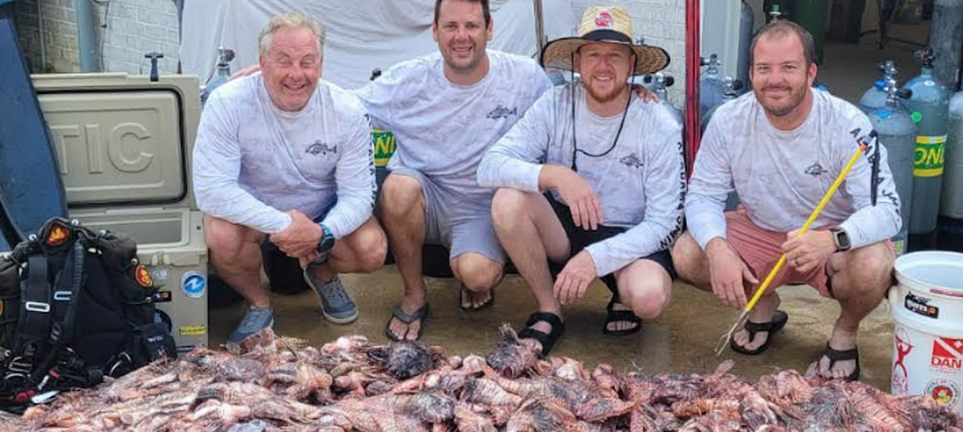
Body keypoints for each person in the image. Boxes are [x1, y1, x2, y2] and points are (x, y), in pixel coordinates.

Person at [672, 20, 899, 381]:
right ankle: (762, 304)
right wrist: (717, 249)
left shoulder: (848, 124)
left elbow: (888, 211)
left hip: (828, 237)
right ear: (751, 73)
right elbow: (702, 195)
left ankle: (845, 331)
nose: (775, 79)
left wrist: (833, 238)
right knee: (689, 253)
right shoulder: (729, 120)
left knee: (874, 262)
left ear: (810, 72)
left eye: (788, 67)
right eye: (764, 69)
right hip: (760, 229)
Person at [477, 5, 684, 355]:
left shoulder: (660, 124)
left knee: (648, 298)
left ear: (632, 64)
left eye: (615, 56)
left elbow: (667, 223)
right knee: (507, 200)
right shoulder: (555, 103)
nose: (603, 66)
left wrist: (595, 258)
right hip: (566, 228)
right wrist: (554, 175)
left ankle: (621, 291)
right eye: (593, 54)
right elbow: (490, 166)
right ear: (577, 60)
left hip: (631, 235)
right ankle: (548, 307)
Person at [359, 0, 554, 342]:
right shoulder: (408, 78)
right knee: (397, 188)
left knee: (478, 275)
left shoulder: (524, 77)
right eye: (450, 26)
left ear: (490, 30)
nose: (461, 36)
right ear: (434, 31)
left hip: (482, 206)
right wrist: (275, 82)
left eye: (472, 26)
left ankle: (472, 276)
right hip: (426, 195)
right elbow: (346, 105)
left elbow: (564, 114)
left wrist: (628, 93)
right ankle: (414, 294)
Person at [193, 12, 386, 345]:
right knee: (221, 235)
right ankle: (259, 305)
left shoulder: (347, 109)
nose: (296, 74)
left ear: (321, 65)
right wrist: (284, 225)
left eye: (307, 62)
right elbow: (212, 192)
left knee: (372, 249)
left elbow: (359, 195)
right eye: (284, 61)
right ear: (262, 62)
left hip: (318, 216)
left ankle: (322, 273)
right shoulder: (226, 102)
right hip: (253, 216)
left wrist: (322, 233)